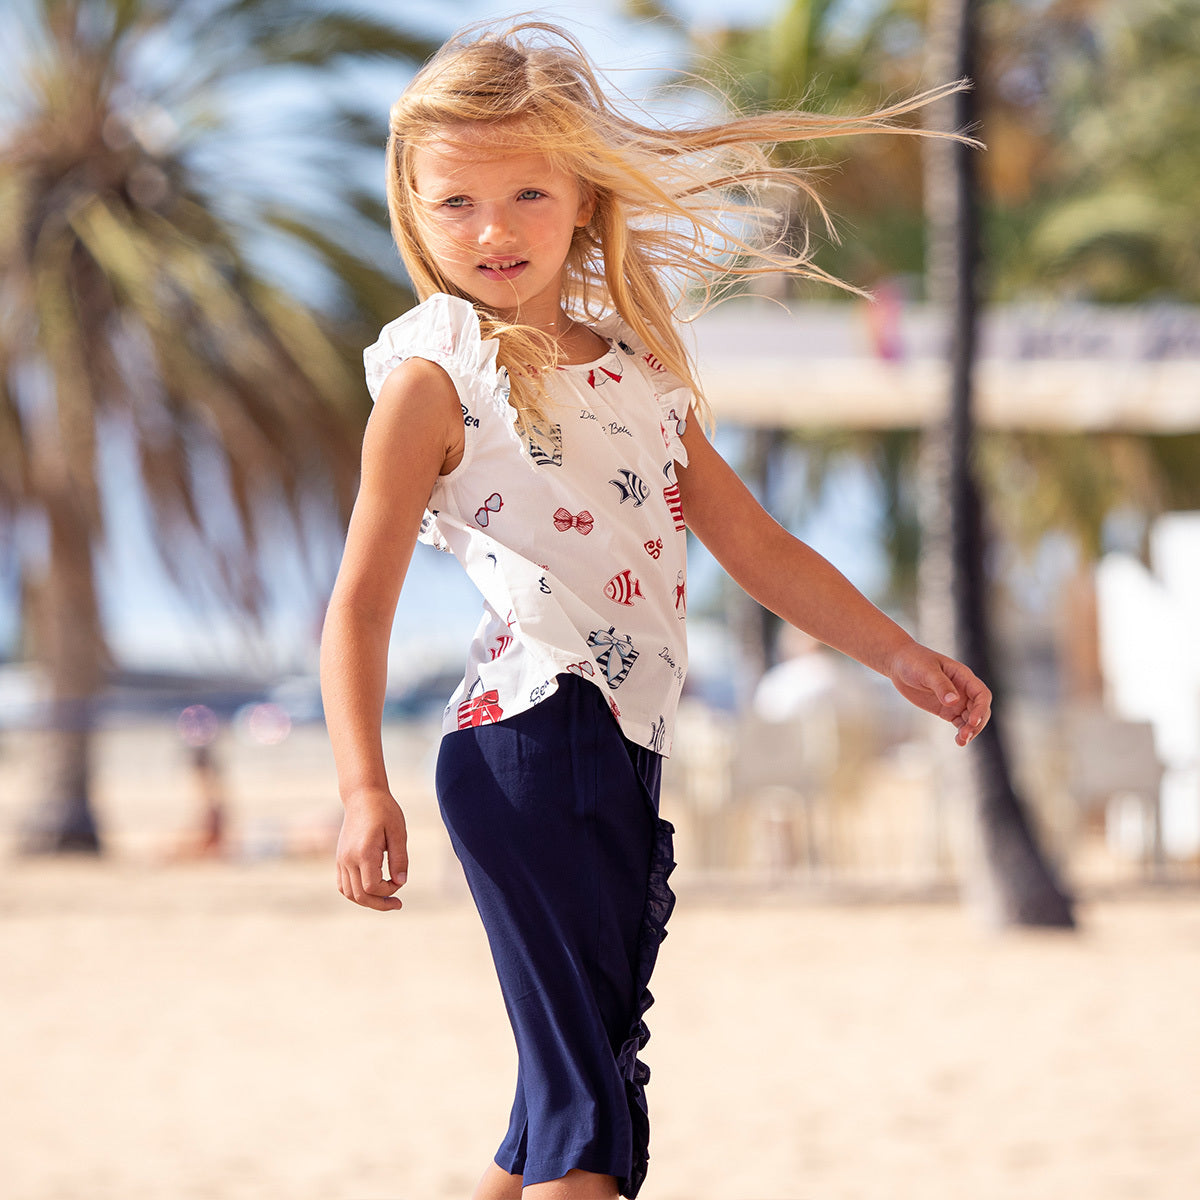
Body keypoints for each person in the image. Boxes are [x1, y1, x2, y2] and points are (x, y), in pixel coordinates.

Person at [319, 20, 992, 1200]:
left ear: (583, 196)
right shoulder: (434, 378)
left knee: (557, 1104)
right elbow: (359, 605)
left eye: (529, 192)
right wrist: (359, 785)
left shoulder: (638, 371)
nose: (494, 229)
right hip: (530, 739)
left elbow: (756, 546)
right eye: (457, 202)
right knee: (590, 1128)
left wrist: (894, 652)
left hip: (620, 747)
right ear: (413, 210)